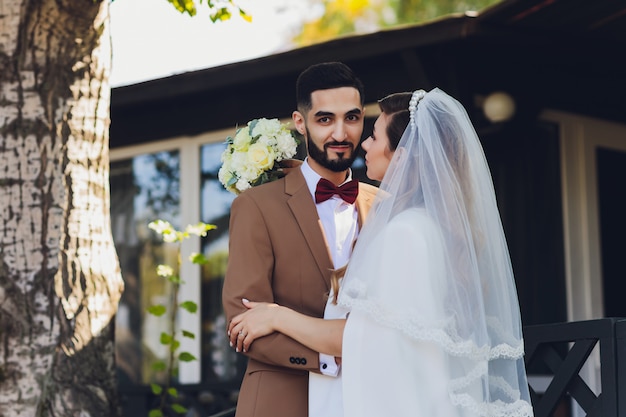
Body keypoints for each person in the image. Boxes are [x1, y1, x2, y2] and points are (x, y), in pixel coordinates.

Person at [228, 88, 535, 417]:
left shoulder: (405, 233)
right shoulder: (436, 228)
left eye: (373, 136)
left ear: (400, 155)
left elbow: (361, 338)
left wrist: (277, 315)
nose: (364, 145)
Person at [221, 61, 378, 417]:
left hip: (369, 399)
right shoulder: (255, 206)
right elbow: (242, 320)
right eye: (325, 120)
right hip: (282, 401)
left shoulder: (384, 207)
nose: (341, 133)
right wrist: (329, 358)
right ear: (300, 122)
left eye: (351, 118)